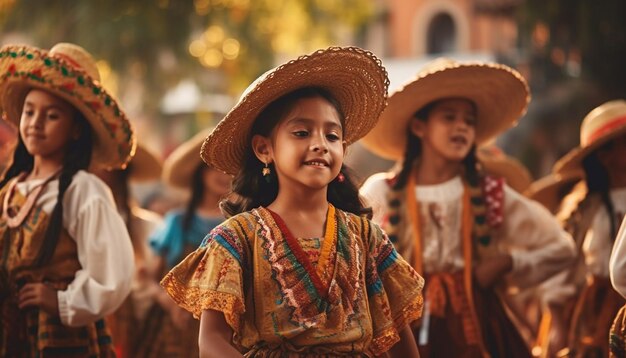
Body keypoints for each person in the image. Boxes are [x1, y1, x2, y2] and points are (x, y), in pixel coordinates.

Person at [161, 46, 424, 357]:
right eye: (301, 132)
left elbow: (399, 340)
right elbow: (211, 342)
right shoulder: (236, 239)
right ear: (264, 149)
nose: (319, 145)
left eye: (332, 136)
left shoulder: (367, 238)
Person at [359, 58, 576, 357]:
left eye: (469, 121)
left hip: (479, 326)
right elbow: (355, 260)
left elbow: (561, 249)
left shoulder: (489, 193)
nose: (461, 126)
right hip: (404, 328)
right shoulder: (381, 190)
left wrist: (507, 263)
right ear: (419, 126)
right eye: (449, 117)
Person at [0, 42, 135, 356]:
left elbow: (113, 274)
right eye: (30, 111)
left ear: (76, 129)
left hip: (59, 337)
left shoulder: (83, 190)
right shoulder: (8, 190)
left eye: (52, 115)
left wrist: (60, 301)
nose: (35, 122)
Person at [141, 129, 231, 357]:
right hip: (173, 328)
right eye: (214, 166)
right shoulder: (177, 223)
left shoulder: (242, 226)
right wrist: (167, 301)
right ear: (200, 172)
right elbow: (148, 276)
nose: (223, 174)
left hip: (226, 332)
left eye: (229, 168)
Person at [548, 99, 626, 357]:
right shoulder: (584, 210)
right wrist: (558, 325)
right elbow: (561, 270)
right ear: (604, 155)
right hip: (593, 312)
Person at [92, 144, 164, 358]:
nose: (100, 171)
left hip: (140, 338)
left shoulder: (151, 228)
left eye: (108, 165)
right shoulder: (72, 224)